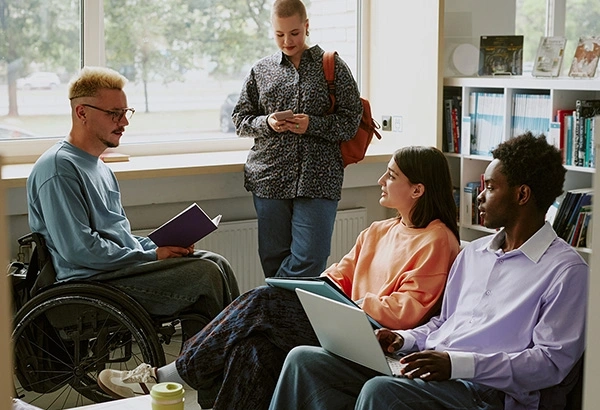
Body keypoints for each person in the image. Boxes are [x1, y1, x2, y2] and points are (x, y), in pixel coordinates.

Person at [98, 145, 461, 410]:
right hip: (340, 320)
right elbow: (338, 274)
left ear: (418, 189)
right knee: (252, 348)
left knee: (262, 302)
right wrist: (323, 293)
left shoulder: (438, 240)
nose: (381, 179)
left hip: (371, 338)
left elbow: (407, 311)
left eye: (392, 175)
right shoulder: (378, 230)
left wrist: (348, 304)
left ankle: (165, 378)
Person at [268, 132, 589, 410]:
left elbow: (549, 364)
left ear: (522, 195)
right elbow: (444, 323)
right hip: (435, 369)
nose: (479, 195)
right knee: (304, 360)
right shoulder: (474, 254)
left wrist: (457, 364)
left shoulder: (566, 272)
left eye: (490, 187)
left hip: (488, 392)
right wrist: (402, 340)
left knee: (381, 391)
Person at [26, 66, 240, 341]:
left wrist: (159, 246)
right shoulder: (58, 169)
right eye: (114, 114)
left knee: (215, 261)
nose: (124, 122)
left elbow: (118, 238)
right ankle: (217, 370)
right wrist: (152, 256)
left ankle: (226, 363)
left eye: (126, 113)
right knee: (205, 274)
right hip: (87, 284)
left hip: (113, 273)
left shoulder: (100, 167)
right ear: (82, 113)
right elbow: (79, 251)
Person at [232, 0, 363, 278]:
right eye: (280, 34)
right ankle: (286, 319)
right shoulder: (261, 70)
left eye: (294, 33)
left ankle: (267, 310)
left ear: (306, 26)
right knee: (272, 259)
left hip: (319, 177)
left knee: (309, 258)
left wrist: (312, 125)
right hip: (269, 177)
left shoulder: (333, 66)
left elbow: (351, 121)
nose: (287, 41)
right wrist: (267, 122)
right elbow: (240, 120)